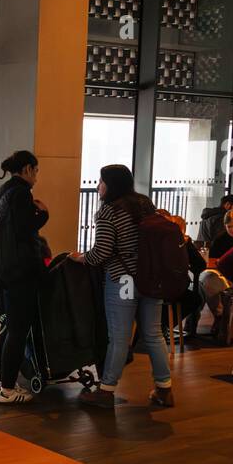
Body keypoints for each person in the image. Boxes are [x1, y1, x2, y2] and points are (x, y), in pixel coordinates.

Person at [68, 164, 173, 409]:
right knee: (154, 334)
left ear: (111, 184)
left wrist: (81, 258)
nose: (97, 186)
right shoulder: (145, 204)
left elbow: (102, 252)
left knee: (119, 337)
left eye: (101, 181)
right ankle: (165, 389)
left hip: (124, 280)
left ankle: (106, 391)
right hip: (151, 278)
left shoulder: (109, 211)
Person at [0, 150, 50, 404]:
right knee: (18, 330)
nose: (36, 176)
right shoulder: (22, 193)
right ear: (26, 169)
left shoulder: (4, 191)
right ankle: (8, 388)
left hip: (1, 269)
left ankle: (3, 378)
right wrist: (44, 215)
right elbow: (25, 231)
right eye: (35, 171)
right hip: (19, 273)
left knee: (10, 327)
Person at [164, 213, 205, 339]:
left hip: (155, 287)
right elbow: (199, 265)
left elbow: (199, 266)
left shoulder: (160, 241)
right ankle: (165, 325)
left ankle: (164, 325)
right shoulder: (181, 243)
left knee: (198, 293)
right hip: (170, 289)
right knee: (195, 298)